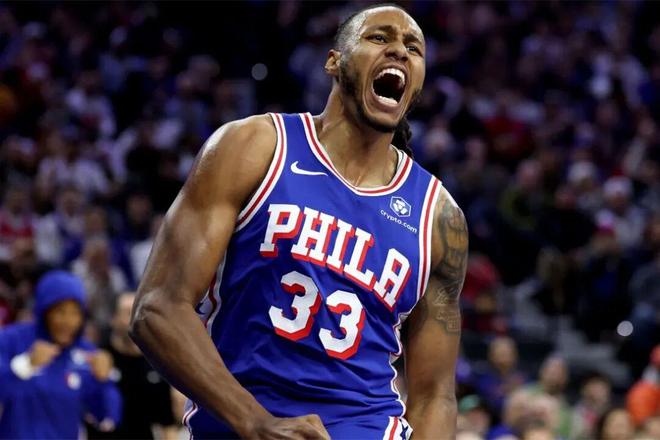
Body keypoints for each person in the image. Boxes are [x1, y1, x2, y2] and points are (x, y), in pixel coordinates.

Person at [130, 3, 468, 439]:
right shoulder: (254, 147)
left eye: (413, 48)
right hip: (241, 423)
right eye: (379, 37)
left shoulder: (438, 216)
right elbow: (157, 308)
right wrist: (255, 421)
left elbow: (435, 395)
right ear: (333, 62)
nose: (400, 51)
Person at [0, 270, 122, 439]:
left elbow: (107, 419)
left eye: (75, 313)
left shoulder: (87, 354)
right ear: (44, 311)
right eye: (60, 311)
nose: (68, 321)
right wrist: (25, 365)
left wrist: (103, 381)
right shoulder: (11, 339)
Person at [87, 292, 177, 440]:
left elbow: (167, 423)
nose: (134, 318)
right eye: (128, 312)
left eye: (139, 312)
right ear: (113, 319)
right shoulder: (98, 358)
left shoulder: (156, 363)